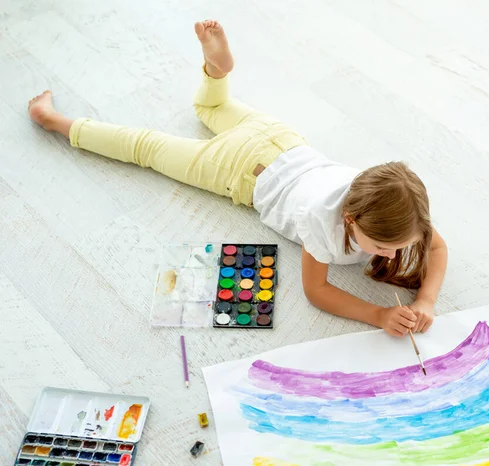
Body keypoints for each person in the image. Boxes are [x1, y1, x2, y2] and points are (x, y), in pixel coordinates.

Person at [27, 20, 448, 337]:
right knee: (147, 148)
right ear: (351, 220)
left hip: (283, 139)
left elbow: (438, 244)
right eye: (382, 247)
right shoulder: (323, 221)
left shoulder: (394, 207)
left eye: (401, 247)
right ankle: (55, 121)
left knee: (208, 111)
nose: (392, 258)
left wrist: (427, 299)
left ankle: (217, 69)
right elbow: (317, 291)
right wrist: (377, 314)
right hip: (240, 168)